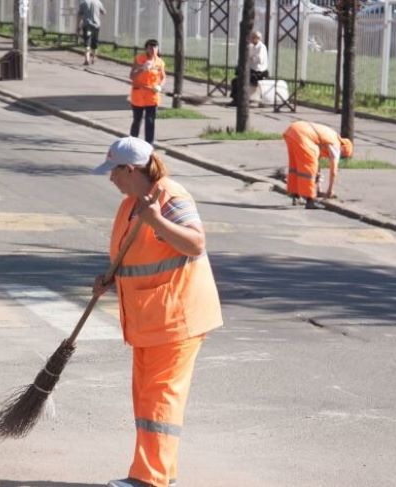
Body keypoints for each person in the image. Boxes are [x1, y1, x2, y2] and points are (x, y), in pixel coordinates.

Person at [92, 136, 223, 487]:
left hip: (177, 316)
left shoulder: (170, 197)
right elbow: (135, 256)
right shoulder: (131, 203)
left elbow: (195, 243)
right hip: (149, 318)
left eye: (113, 172)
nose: (110, 179)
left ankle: (150, 479)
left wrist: (157, 221)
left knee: (160, 397)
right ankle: (158, 473)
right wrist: (110, 277)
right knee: (146, 399)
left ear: (130, 169)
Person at [283, 121, 354, 209]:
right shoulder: (336, 144)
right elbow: (333, 171)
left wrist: (318, 189)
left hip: (292, 130)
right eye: (342, 156)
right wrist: (330, 191)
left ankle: (295, 194)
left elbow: (318, 164)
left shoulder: (329, 137)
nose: (340, 156)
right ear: (343, 148)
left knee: (296, 166)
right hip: (303, 135)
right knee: (309, 168)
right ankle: (310, 201)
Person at [129, 39, 166, 144]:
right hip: (138, 95)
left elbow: (163, 78)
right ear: (146, 48)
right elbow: (132, 76)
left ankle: (149, 145)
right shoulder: (139, 59)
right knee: (137, 121)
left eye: (155, 47)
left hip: (152, 96)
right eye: (150, 47)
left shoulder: (160, 62)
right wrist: (142, 68)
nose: (153, 49)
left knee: (150, 121)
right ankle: (132, 143)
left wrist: (160, 86)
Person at [228, 31, 268, 106]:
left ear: (258, 38)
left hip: (258, 72)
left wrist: (251, 57)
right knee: (235, 80)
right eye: (251, 37)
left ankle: (242, 99)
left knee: (242, 79)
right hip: (251, 69)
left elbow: (259, 60)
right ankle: (236, 99)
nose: (251, 39)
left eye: (253, 38)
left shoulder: (261, 47)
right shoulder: (251, 46)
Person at [77, 0, 106, 65]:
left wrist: (78, 26)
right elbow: (103, 12)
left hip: (87, 25)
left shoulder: (83, 2)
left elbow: (79, 14)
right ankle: (93, 58)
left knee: (87, 42)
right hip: (96, 25)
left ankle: (87, 59)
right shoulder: (98, 2)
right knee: (94, 41)